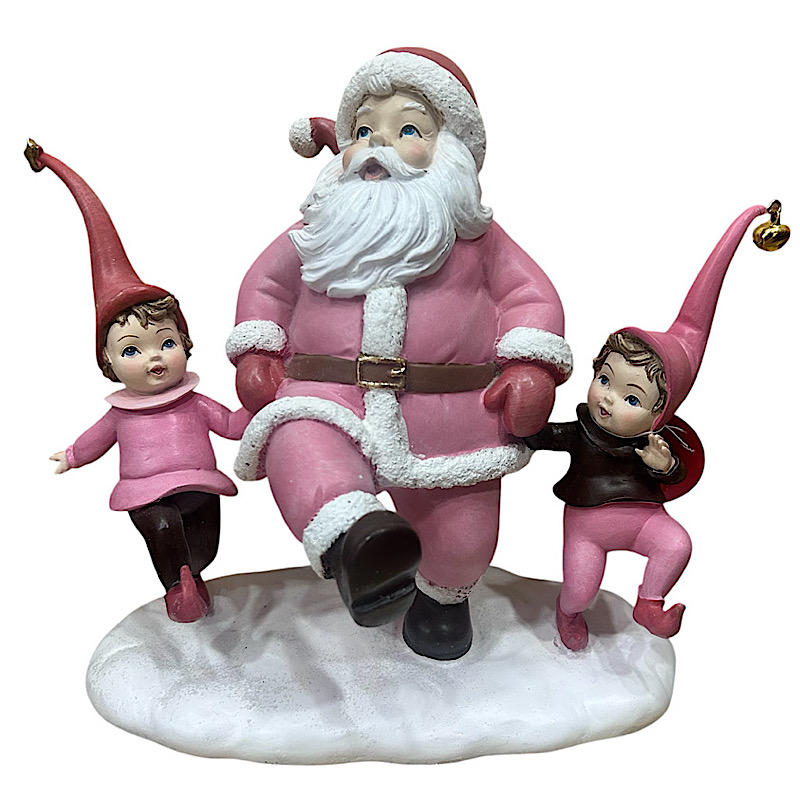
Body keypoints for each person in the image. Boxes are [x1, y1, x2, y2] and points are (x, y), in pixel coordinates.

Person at [228, 49, 573, 659]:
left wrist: (531, 366)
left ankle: (440, 599)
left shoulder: (479, 241)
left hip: (450, 419)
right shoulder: (317, 231)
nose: (377, 146)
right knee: (303, 448)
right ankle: (358, 546)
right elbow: (267, 288)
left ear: (452, 153)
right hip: (328, 395)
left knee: (461, 535)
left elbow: (530, 298)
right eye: (363, 130)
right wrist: (258, 347)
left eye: (408, 129)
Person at [524, 204, 779, 650]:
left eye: (632, 398)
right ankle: (568, 613)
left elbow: (679, 475)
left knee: (677, 543)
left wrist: (665, 466)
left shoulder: (655, 444)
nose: (607, 398)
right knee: (580, 590)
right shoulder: (581, 430)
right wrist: (518, 419)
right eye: (605, 379)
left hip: (643, 519)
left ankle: (649, 602)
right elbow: (538, 434)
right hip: (587, 527)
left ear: (659, 414)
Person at [27, 141, 251, 623]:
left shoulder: (194, 403)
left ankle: (192, 577)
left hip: (199, 484)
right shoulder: (120, 414)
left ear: (185, 343)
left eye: (165, 342)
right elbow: (96, 438)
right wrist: (71, 455)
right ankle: (177, 589)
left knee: (205, 546)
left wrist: (260, 405)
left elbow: (233, 425)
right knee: (164, 529)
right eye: (132, 350)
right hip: (145, 494)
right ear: (108, 362)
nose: (153, 358)